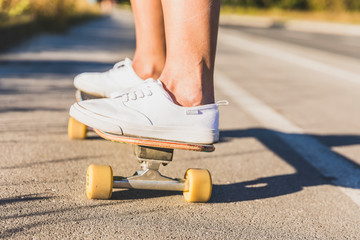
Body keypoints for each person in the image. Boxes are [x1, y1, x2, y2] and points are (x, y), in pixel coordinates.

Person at [70, 0, 222, 144]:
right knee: (150, 62)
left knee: (187, 86)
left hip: (190, 104)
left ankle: (187, 93)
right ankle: (149, 65)